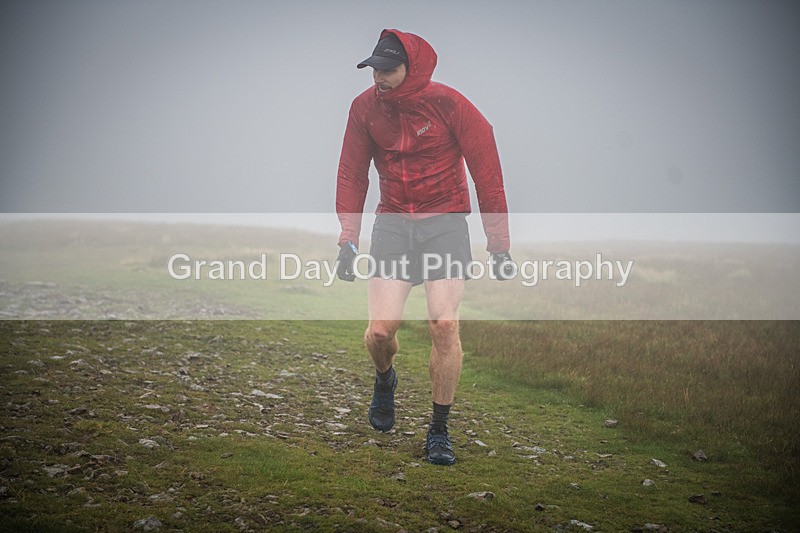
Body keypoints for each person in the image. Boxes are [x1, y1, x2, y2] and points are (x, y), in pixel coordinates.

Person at [335, 29, 513, 466]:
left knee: (444, 326)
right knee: (380, 330)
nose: (378, 77)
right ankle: (385, 379)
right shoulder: (364, 109)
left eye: (388, 69)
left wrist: (499, 245)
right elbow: (352, 174)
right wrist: (348, 238)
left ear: (411, 69)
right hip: (394, 225)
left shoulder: (450, 104)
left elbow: (487, 173)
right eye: (374, 69)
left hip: (445, 225)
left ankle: (438, 430)